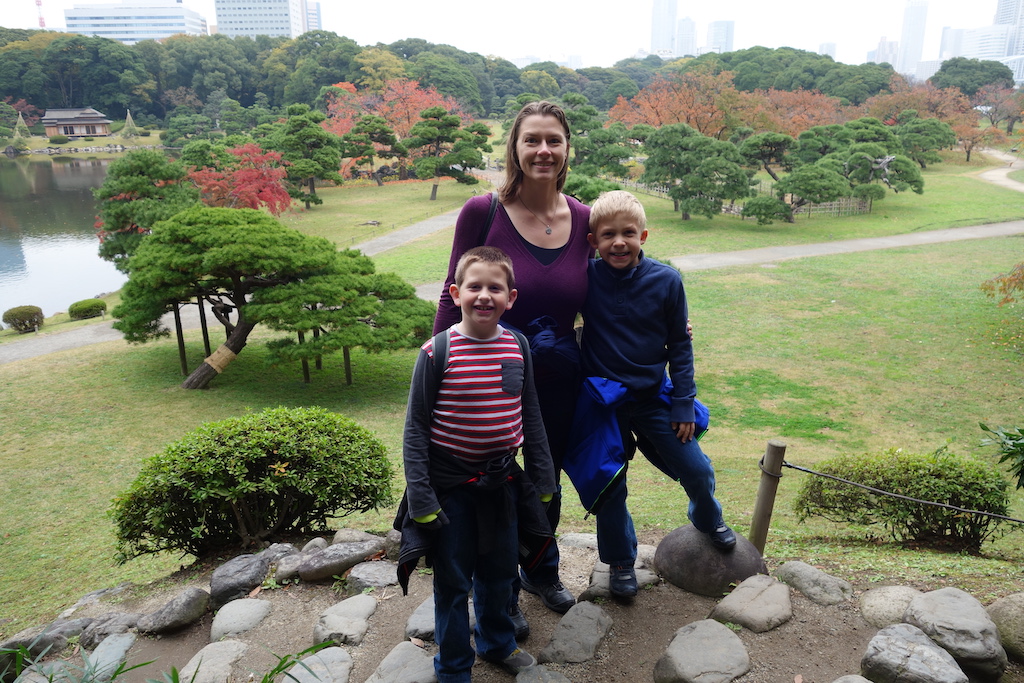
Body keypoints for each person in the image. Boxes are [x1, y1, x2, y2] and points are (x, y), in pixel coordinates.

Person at [434, 101, 591, 630]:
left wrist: (666, 323)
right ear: (515, 148)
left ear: (567, 148)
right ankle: (493, 596)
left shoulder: (586, 218)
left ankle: (541, 570)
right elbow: (449, 294)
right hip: (488, 378)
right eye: (532, 140)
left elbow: (615, 287)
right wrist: (439, 372)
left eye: (553, 140)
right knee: (489, 486)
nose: (543, 150)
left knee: (546, 482)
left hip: (560, 376)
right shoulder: (484, 212)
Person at [399, 246, 555, 682]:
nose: (484, 296)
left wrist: (543, 477)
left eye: (495, 288)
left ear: (511, 297)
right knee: (452, 581)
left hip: (502, 483)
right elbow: (414, 430)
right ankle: (452, 666)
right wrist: (422, 499)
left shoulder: (517, 346)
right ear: (455, 292)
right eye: (474, 287)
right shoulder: (437, 352)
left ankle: (497, 642)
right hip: (451, 491)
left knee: (500, 571)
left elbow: (531, 414)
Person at [577, 190, 736, 600]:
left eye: (628, 233)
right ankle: (620, 561)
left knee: (696, 469)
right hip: (603, 403)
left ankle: (707, 516)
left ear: (643, 235)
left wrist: (684, 402)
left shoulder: (666, 280)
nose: (619, 242)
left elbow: (680, 347)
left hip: (652, 398)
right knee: (610, 486)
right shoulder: (585, 278)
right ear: (592, 240)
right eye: (607, 234)